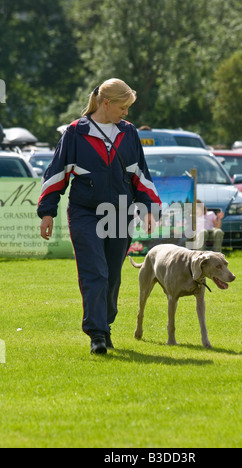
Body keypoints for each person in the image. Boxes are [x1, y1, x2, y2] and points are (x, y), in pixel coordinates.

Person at [38, 78, 161, 354]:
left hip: (120, 212)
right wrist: (47, 211)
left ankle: (104, 323)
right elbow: (56, 173)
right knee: (95, 271)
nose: (126, 113)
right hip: (85, 213)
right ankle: (97, 333)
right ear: (106, 103)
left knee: (113, 275)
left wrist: (150, 207)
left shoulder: (128, 133)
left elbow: (140, 174)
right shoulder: (75, 133)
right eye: (123, 106)